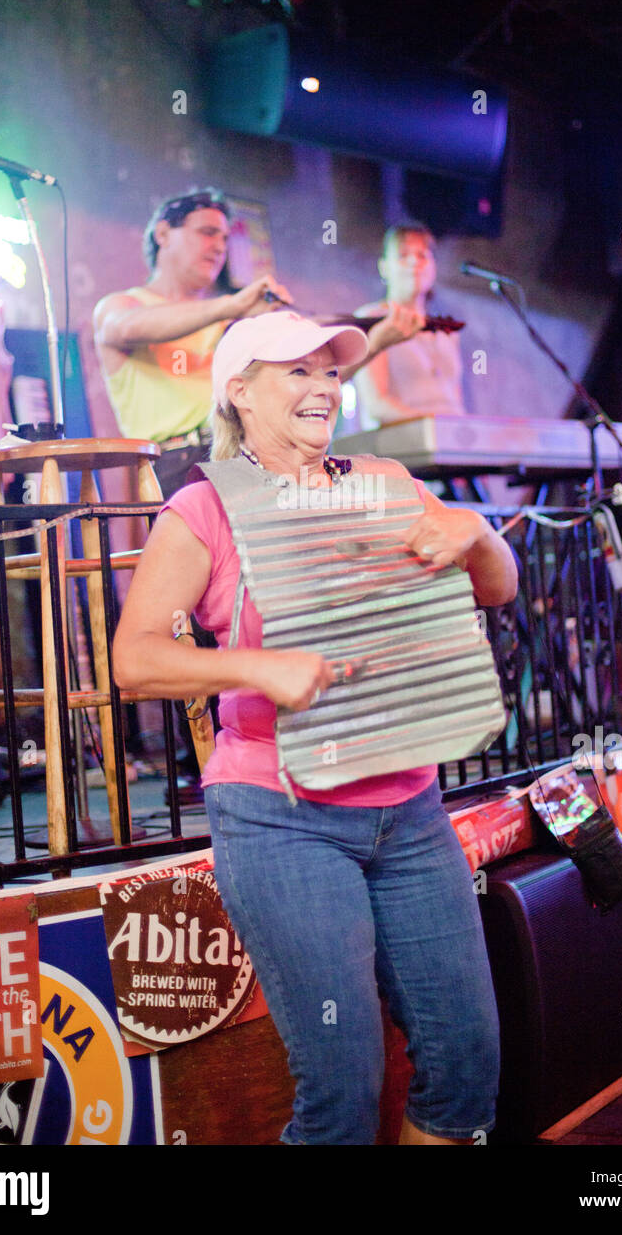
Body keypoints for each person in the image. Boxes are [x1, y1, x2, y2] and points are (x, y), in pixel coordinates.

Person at [113, 309, 518, 1145]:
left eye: (330, 372)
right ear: (239, 391)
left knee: (467, 1062)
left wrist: (478, 533)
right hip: (281, 818)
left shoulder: (386, 482)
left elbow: (498, 587)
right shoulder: (204, 508)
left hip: (410, 809)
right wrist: (256, 668)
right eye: (297, 370)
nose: (323, 387)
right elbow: (135, 658)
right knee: (342, 1089)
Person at [93, 189, 426, 497]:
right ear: (163, 234)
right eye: (207, 232)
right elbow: (121, 328)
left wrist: (376, 343)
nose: (220, 247)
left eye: (225, 238)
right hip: (176, 462)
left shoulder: (228, 317)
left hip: (245, 452)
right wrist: (233, 307)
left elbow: (309, 384)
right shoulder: (123, 305)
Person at [354, 222, 466, 426]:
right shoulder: (371, 319)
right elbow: (376, 405)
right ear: (384, 268)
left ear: (433, 267)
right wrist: (433, 424)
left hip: (449, 436)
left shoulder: (446, 329)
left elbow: (454, 399)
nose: (415, 262)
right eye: (403, 255)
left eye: (422, 255)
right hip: (403, 438)